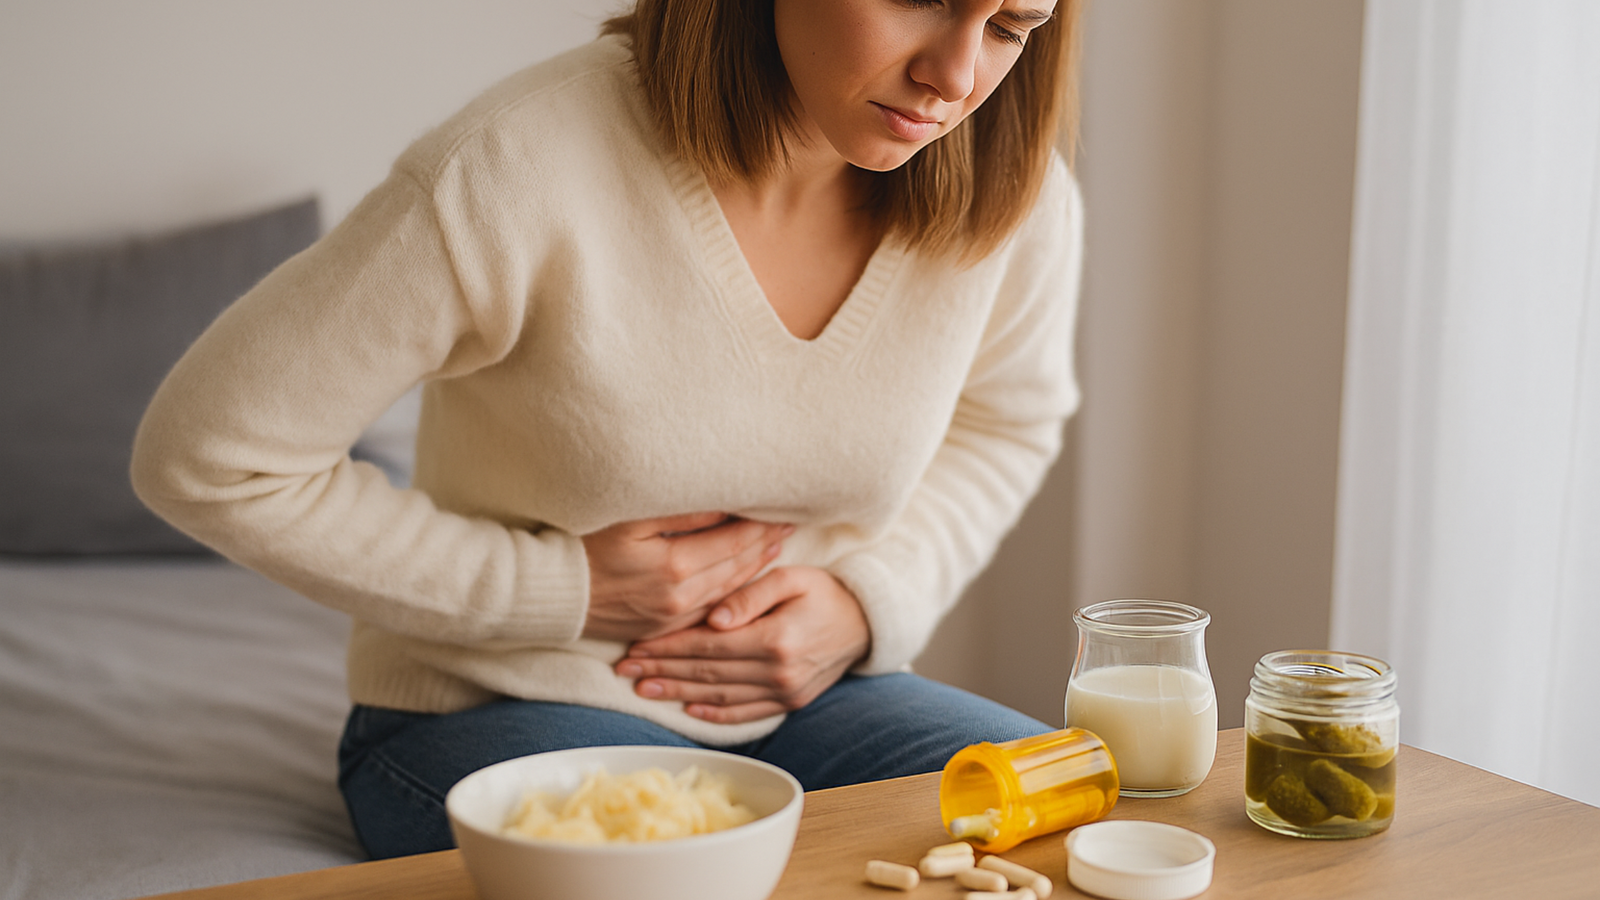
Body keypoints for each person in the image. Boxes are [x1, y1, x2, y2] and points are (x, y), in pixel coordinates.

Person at [131, 0, 1085, 860]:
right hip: (500, 702)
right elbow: (209, 457)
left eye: (1008, 26)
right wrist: (558, 592)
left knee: (1075, 824)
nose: (957, 78)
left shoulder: (1017, 198)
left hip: (819, 697)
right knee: (683, 874)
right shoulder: (515, 166)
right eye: (919, 0)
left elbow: (1008, 421)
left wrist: (870, 600)